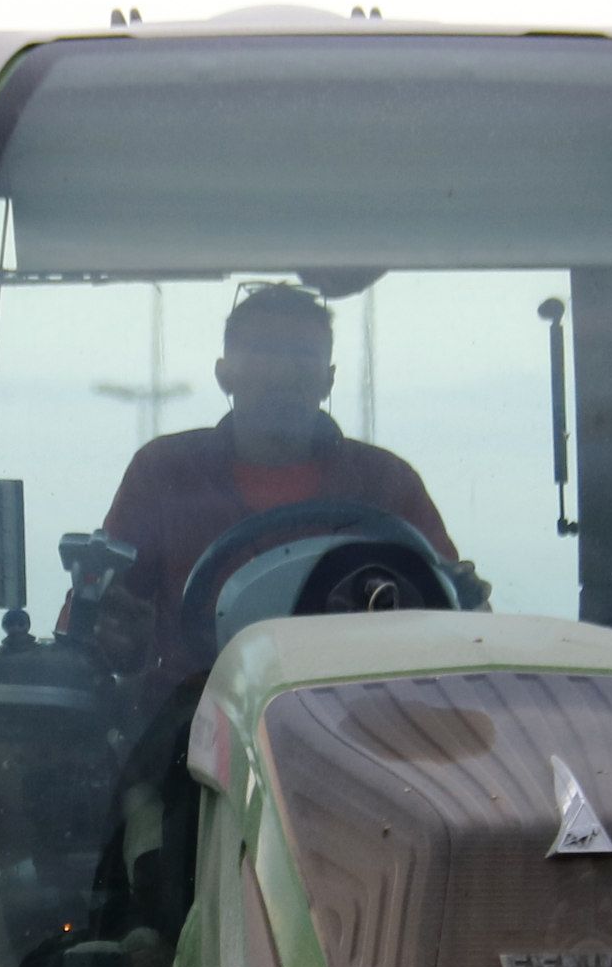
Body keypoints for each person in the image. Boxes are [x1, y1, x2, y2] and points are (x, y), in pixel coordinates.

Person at [78, 282, 460, 679]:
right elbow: (96, 620)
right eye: (264, 351)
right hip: (189, 726)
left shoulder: (387, 484)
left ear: (328, 380)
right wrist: (116, 631)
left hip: (356, 722)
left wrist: (461, 598)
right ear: (224, 374)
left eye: (302, 354)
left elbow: (456, 616)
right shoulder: (161, 474)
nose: (282, 372)